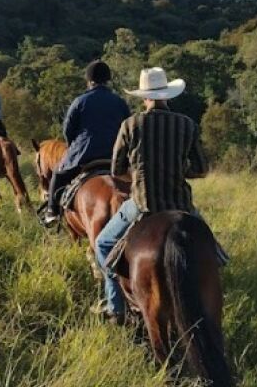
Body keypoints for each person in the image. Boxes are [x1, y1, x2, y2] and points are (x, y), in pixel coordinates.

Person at [94, 67, 213, 322]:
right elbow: (202, 170)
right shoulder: (186, 124)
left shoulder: (130, 124)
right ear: (167, 95)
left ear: (144, 97)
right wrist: (180, 171)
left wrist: (136, 176)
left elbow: (117, 170)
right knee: (213, 250)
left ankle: (116, 307)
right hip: (181, 205)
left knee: (103, 244)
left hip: (142, 205)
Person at [41, 60, 130, 226]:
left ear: (89, 81)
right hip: (114, 156)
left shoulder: (80, 101)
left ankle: (51, 211)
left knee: (58, 175)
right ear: (107, 80)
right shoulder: (119, 102)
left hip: (84, 154)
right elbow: (127, 128)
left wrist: (74, 147)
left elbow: (68, 130)